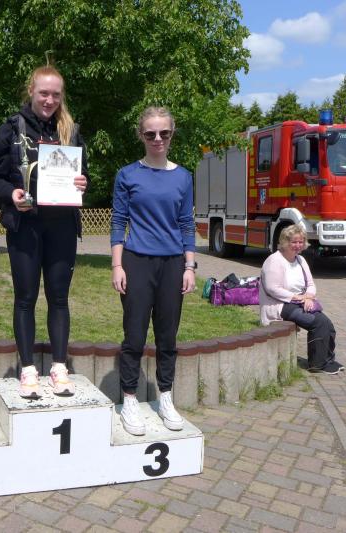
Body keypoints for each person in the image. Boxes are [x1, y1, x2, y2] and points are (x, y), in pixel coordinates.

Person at [0, 65, 88, 399]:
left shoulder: (71, 131)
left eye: (55, 95)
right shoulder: (10, 128)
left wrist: (82, 182)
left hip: (62, 226)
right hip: (25, 226)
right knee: (25, 298)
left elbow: (84, 175)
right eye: (44, 93)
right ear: (31, 90)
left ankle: (59, 366)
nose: (49, 100)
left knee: (59, 298)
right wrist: (11, 194)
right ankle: (28, 368)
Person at [110, 106, 196, 436]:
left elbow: (186, 223)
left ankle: (166, 397)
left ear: (172, 134)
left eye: (164, 133)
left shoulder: (183, 176)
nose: (157, 139)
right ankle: (130, 398)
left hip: (172, 264)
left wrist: (189, 266)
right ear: (141, 135)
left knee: (167, 335)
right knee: (134, 334)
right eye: (150, 133)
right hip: (136, 262)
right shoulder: (127, 174)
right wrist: (117, 265)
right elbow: (119, 222)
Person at [259, 225, 343, 374]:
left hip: (300, 301)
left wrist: (309, 297)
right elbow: (273, 289)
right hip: (280, 304)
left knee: (327, 324)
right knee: (318, 323)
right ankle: (317, 365)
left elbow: (310, 284)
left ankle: (327, 360)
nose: (298, 245)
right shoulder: (274, 261)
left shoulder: (300, 260)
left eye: (301, 242)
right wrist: (298, 298)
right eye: (294, 242)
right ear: (285, 242)